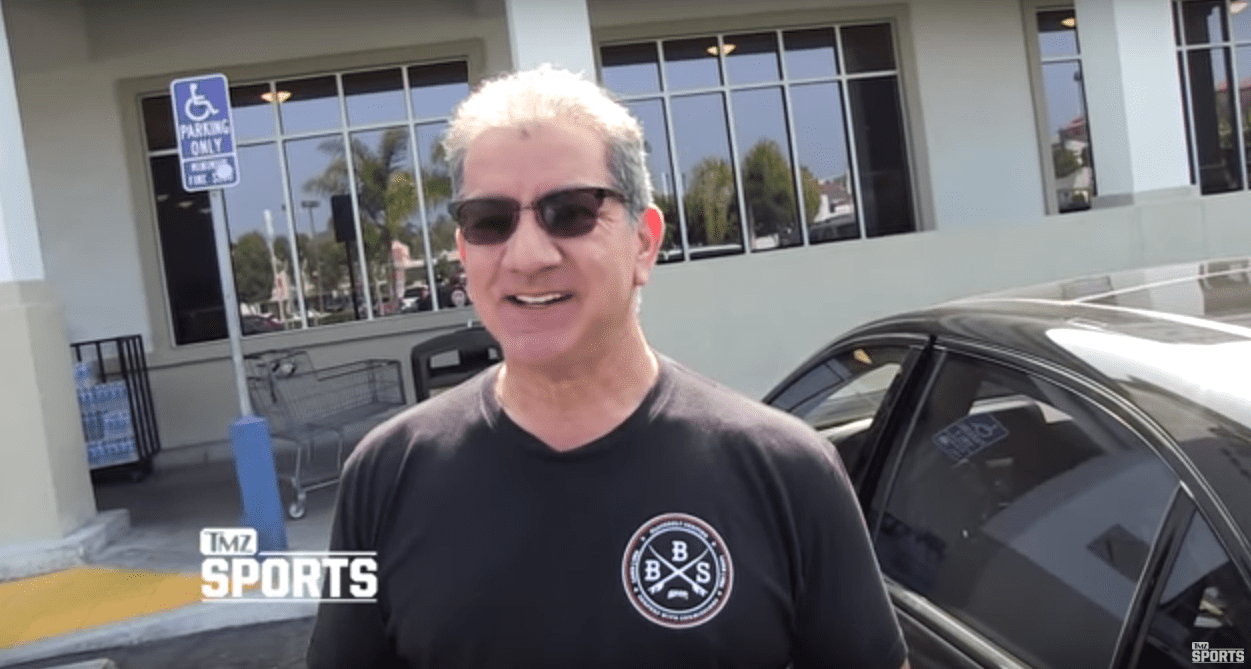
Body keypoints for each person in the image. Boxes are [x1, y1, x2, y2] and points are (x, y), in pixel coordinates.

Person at [306, 64, 909, 669]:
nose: (527, 256)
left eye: (570, 211)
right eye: (490, 221)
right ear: (465, 253)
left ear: (644, 243)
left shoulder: (787, 471)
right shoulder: (383, 477)